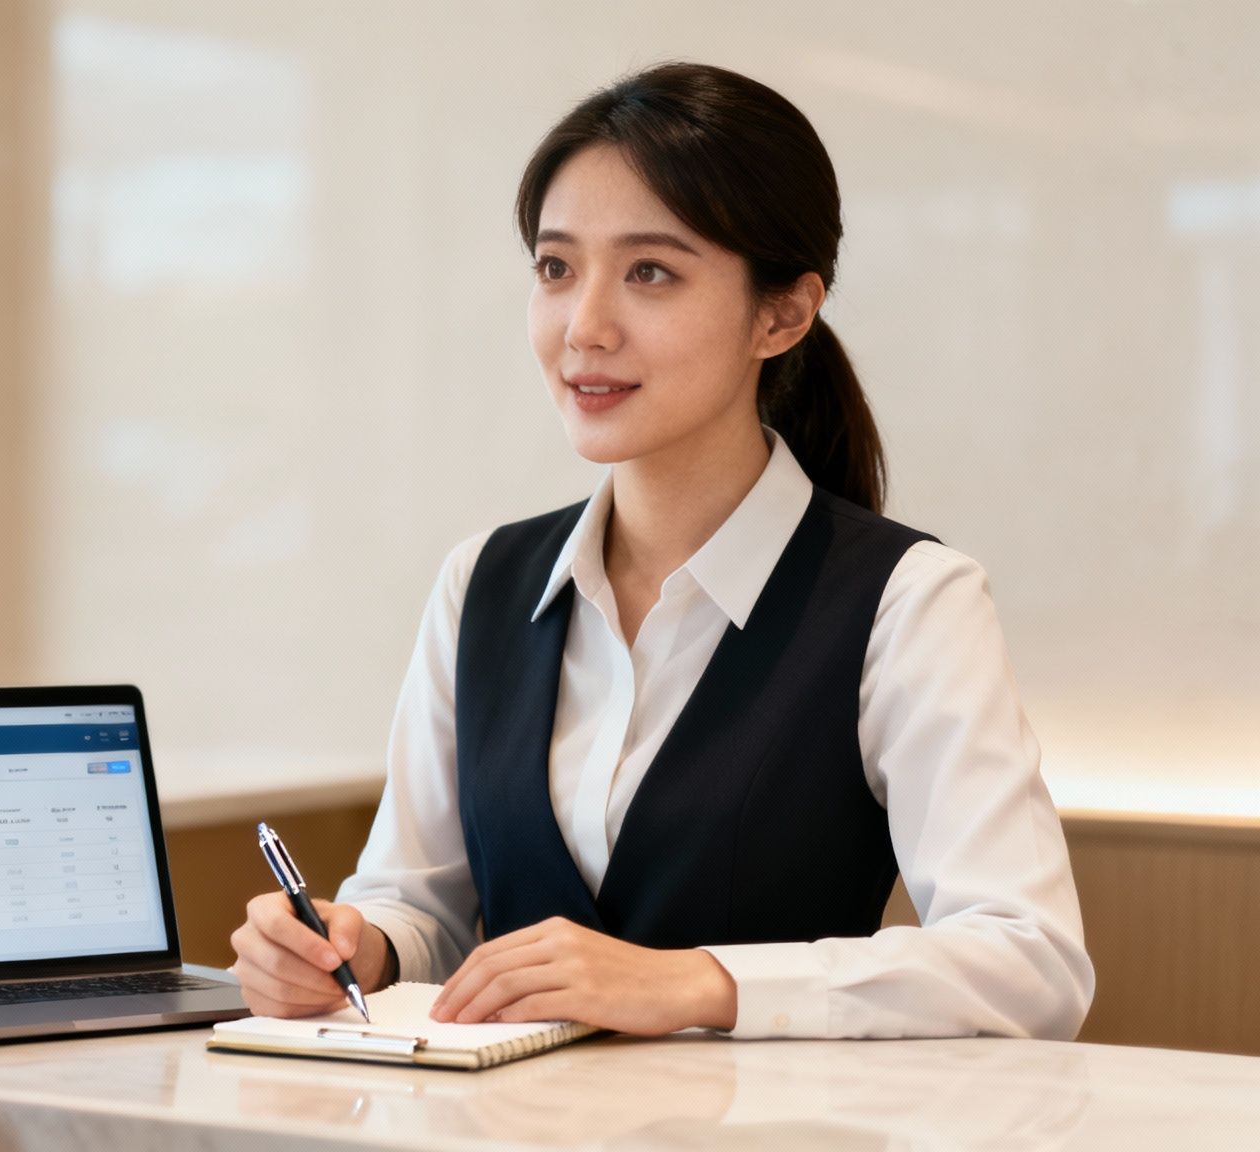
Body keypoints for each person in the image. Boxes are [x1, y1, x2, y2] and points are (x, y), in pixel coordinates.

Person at [228, 62, 1096, 1041]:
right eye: (555, 268)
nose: (583, 326)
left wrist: (694, 985)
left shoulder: (906, 602)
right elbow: (416, 907)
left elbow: (1030, 962)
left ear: (781, 314)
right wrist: (345, 943)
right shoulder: (482, 583)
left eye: (649, 272)